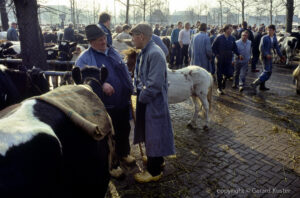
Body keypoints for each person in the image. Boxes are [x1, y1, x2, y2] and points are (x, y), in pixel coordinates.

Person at [75, 24, 134, 177]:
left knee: (124, 129)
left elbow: (124, 69)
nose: (104, 42)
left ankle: (123, 154)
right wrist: (101, 84)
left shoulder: (112, 51)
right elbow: (81, 81)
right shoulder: (85, 58)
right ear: (91, 42)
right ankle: (112, 165)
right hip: (104, 105)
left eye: (104, 38)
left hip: (122, 100)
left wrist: (129, 84)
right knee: (109, 136)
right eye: (99, 40)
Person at [130, 22, 175, 183]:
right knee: (153, 132)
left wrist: (141, 98)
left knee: (154, 133)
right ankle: (158, 160)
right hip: (148, 99)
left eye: (134, 36)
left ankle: (154, 171)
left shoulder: (154, 53)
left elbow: (154, 84)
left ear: (141, 36)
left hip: (152, 101)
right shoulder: (145, 51)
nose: (132, 40)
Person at [251, 24, 285, 93]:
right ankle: (254, 83)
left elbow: (277, 48)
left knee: (267, 72)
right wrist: (266, 54)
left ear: (274, 31)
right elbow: (260, 48)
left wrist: (281, 56)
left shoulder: (274, 38)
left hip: (270, 57)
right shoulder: (264, 38)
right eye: (268, 30)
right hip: (264, 56)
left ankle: (262, 86)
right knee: (267, 71)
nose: (269, 31)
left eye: (271, 30)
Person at [212, 24, 242, 95]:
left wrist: (239, 54)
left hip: (228, 58)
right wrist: (216, 55)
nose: (230, 30)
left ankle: (224, 80)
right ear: (225, 29)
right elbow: (213, 47)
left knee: (229, 73)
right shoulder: (219, 38)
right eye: (229, 29)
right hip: (220, 58)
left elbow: (235, 48)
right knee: (219, 73)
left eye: (231, 29)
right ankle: (219, 88)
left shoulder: (232, 38)